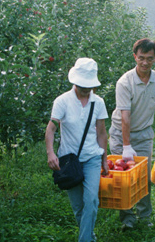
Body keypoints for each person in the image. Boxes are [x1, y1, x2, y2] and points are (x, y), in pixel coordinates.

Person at [45, 58, 109, 242]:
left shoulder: (98, 102)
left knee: (92, 200)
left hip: (92, 158)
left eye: (88, 85)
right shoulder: (62, 101)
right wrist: (51, 152)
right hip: (69, 160)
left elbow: (102, 133)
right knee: (78, 206)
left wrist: (104, 158)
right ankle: (89, 235)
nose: (85, 89)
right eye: (82, 84)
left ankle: (84, 240)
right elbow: (51, 128)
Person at [109, 38, 155, 231]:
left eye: (149, 59)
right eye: (141, 58)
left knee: (143, 177)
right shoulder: (124, 82)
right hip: (120, 133)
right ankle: (127, 218)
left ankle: (145, 216)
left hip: (143, 133)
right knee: (123, 177)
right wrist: (126, 146)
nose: (144, 62)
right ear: (135, 56)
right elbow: (125, 116)